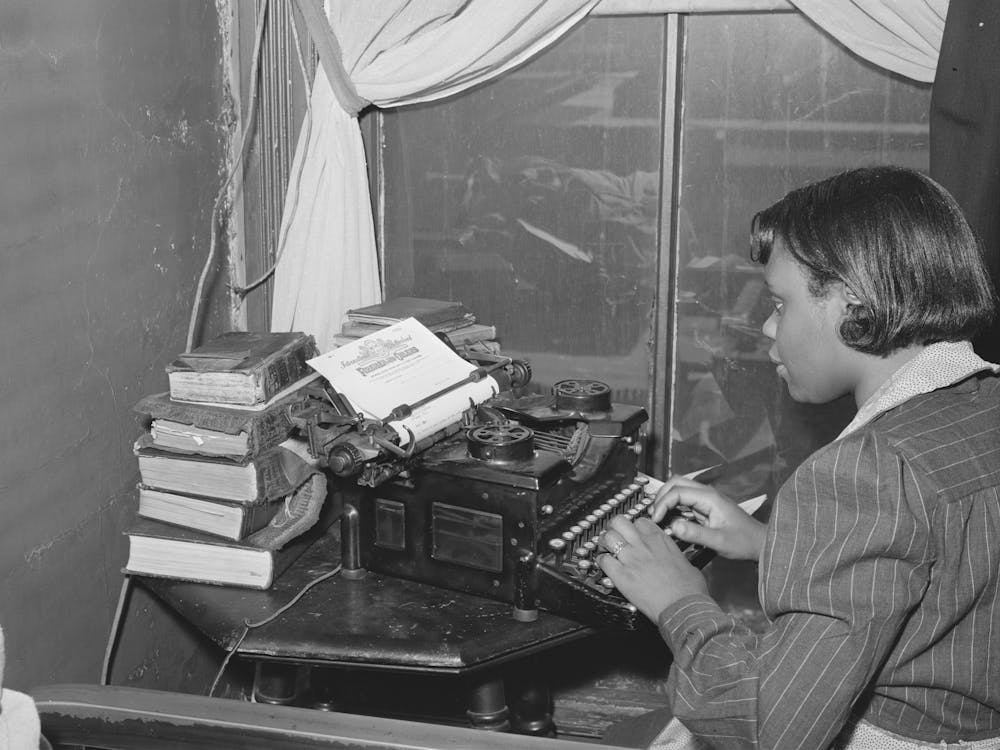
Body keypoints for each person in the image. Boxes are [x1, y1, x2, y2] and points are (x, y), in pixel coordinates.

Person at [598, 166, 1000, 749]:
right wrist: (770, 543)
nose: (766, 325)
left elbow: (773, 730)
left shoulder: (864, 470)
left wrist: (678, 599)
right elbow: (937, 566)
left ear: (853, 304)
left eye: (780, 304)